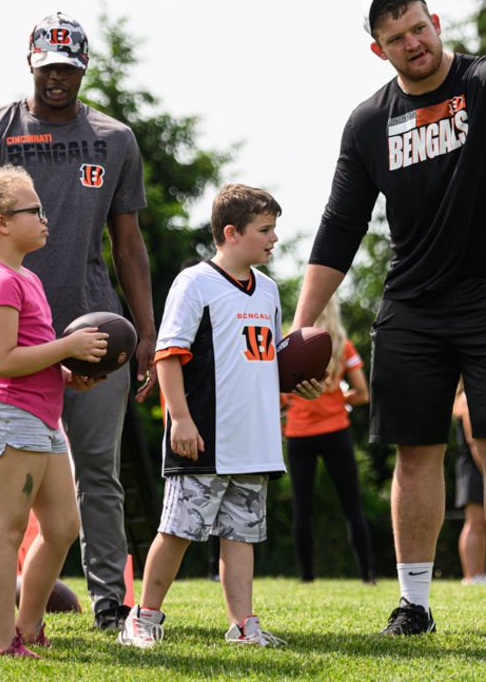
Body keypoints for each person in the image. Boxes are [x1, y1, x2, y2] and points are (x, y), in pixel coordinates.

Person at [290, 0, 486, 643]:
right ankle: (414, 606)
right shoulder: (370, 122)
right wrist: (303, 320)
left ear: (435, 22)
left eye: (419, 28)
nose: (414, 42)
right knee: (415, 450)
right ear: (380, 50)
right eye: (397, 37)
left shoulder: (483, 82)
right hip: (412, 305)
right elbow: (342, 224)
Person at [0, 11, 157, 632]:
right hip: (13, 326)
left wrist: (144, 331)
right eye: (48, 68)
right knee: (1, 475)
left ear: (83, 68)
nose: (57, 79)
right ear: (30, 64)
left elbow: (129, 244)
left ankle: (109, 601)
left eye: (69, 68)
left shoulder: (114, 138)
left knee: (99, 470)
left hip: (94, 326)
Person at [117, 184, 323, 649]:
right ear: (231, 233)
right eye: (265, 230)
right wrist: (181, 420)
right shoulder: (195, 283)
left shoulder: (268, 290)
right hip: (205, 434)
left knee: (241, 536)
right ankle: (142, 618)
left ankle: (243, 625)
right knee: (177, 530)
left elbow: (262, 361)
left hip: (255, 439)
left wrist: (294, 380)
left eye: (275, 229)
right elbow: (168, 357)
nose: (274, 239)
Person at [0, 164, 108, 657]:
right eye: (34, 211)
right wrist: (67, 346)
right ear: (1, 222)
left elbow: (31, 356)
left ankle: (28, 625)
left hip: (42, 417)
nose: (45, 219)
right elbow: (1, 362)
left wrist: (68, 372)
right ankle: (2, 642)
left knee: (64, 526)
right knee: (7, 533)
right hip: (10, 417)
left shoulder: (27, 278)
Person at [282, 298, 374, 583]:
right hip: (335, 432)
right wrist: (339, 397)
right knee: (352, 505)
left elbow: (281, 396)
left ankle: (306, 576)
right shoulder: (342, 346)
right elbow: (363, 394)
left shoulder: (289, 345)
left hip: (298, 435)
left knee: (302, 507)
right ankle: (367, 575)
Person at [452, 383, 486, 586]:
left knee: (480, 523)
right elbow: (473, 440)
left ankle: (478, 573)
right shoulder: (467, 399)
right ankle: (472, 575)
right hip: (474, 467)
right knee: (475, 522)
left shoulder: (462, 398)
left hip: (471, 467)